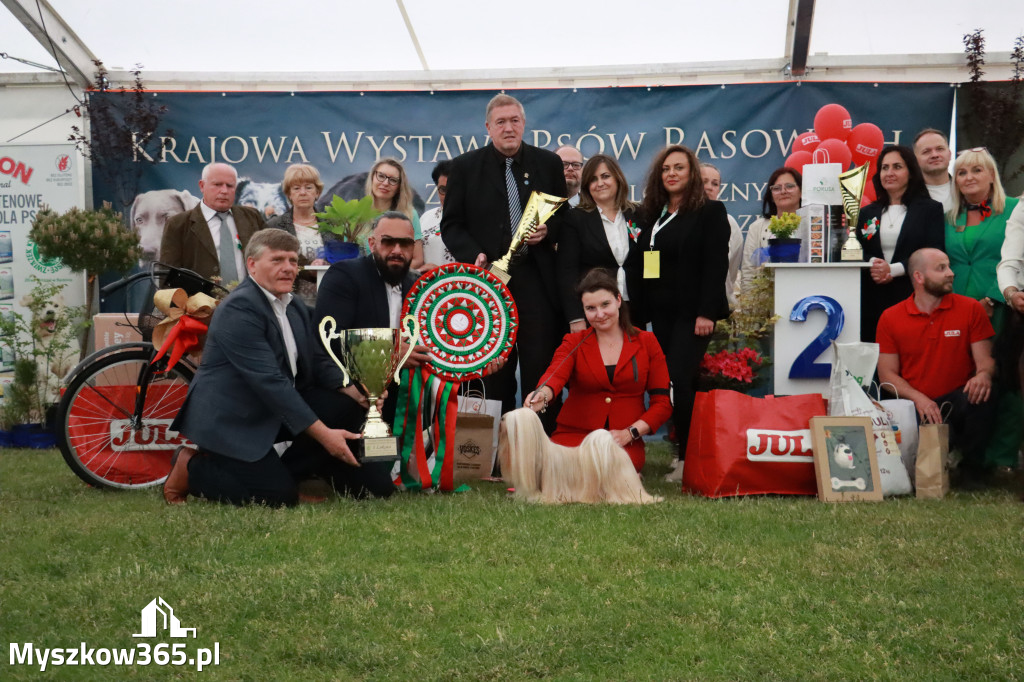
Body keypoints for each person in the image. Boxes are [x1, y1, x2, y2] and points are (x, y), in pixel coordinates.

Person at [163, 229, 390, 506]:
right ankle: (190, 467)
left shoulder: (293, 306)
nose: (288, 269)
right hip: (232, 420)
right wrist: (326, 437)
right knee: (276, 497)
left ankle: (294, 477)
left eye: (293, 261)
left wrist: (354, 390)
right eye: (277, 260)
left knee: (344, 405)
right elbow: (271, 383)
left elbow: (319, 359)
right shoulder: (240, 309)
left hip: (270, 410)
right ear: (252, 265)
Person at [441, 93, 568, 426]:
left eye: (514, 120)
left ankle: (542, 449)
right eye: (501, 122)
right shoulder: (464, 167)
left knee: (540, 368)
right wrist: (474, 255)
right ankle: (485, 453)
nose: (509, 128)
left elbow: (562, 216)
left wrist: (548, 231)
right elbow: (451, 225)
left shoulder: (548, 164)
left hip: (538, 283)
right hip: (489, 285)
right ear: (488, 127)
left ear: (524, 123)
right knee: (489, 370)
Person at [637, 144, 730, 471]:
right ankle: (681, 452)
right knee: (667, 382)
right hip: (661, 314)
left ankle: (688, 458)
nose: (672, 174)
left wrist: (706, 312)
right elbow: (648, 264)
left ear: (691, 173)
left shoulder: (710, 212)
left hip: (693, 316)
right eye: (666, 169)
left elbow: (716, 265)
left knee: (678, 378)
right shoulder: (655, 213)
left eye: (678, 167)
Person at [525, 269, 671, 472]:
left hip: (622, 440)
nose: (600, 314)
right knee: (566, 472)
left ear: (618, 300)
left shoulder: (647, 342)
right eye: (590, 308)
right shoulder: (573, 342)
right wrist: (542, 393)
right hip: (575, 436)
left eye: (605, 304)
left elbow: (663, 403)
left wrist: (630, 433)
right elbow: (555, 375)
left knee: (612, 474)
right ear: (583, 310)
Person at [877, 248, 996, 488]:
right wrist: (920, 399)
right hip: (914, 407)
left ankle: (973, 471)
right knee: (920, 460)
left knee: (984, 393)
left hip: (955, 402)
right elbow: (886, 375)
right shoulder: (891, 317)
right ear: (919, 277)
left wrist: (983, 375)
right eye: (941, 268)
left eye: (949, 266)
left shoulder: (970, 309)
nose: (950, 273)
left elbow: (986, 363)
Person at [945, 147, 1022, 474]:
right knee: (967, 379)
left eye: (977, 170)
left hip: (1000, 308)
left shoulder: (1015, 210)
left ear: (992, 176)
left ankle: (1002, 458)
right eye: (962, 172)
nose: (969, 177)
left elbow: (1015, 259)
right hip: (958, 311)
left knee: (1006, 381)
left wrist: (993, 299)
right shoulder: (949, 218)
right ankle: (968, 455)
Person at [854, 145, 945, 342]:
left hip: (912, 295)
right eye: (885, 168)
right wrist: (874, 265)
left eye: (897, 167)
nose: (889, 173)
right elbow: (855, 249)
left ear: (911, 172)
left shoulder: (930, 210)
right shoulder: (867, 212)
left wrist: (893, 269)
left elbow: (935, 250)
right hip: (871, 299)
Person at [557, 154, 641, 333]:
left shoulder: (638, 213)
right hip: (595, 313)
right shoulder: (575, 219)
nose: (600, 183)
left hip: (635, 310)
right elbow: (567, 272)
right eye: (593, 179)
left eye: (605, 176)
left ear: (617, 178)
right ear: (587, 186)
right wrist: (575, 317)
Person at [160, 162, 266, 282]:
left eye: (230, 186)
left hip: (249, 299)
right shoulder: (178, 225)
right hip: (199, 299)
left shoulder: (252, 217)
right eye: (217, 184)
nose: (224, 191)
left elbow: (270, 259)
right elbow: (167, 279)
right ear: (201, 186)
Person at [266, 163, 328, 305]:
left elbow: (341, 261)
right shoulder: (275, 226)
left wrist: (326, 263)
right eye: (296, 188)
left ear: (317, 192)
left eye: (308, 187)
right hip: (287, 302)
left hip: (327, 302)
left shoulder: (332, 225)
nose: (303, 192)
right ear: (289, 194)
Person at [739, 167, 802, 295]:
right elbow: (749, 273)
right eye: (777, 188)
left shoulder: (814, 225)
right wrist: (751, 310)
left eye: (789, 186)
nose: (783, 191)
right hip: (767, 304)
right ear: (771, 196)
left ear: (801, 192)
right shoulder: (757, 228)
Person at [364, 158, 425, 270]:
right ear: (372, 178)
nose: (385, 183)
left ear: (399, 187)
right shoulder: (356, 213)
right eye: (381, 176)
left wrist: (387, 273)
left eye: (393, 180)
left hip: (396, 282)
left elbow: (417, 260)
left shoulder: (410, 214)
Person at [701, 163, 743, 309]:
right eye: (703, 181)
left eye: (715, 183)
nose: (709, 187)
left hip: (718, 307)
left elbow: (730, 270)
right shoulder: (677, 219)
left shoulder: (729, 223)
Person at [419, 160, 455, 270]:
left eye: (454, 189)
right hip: (429, 285)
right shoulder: (426, 218)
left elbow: (501, 269)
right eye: (443, 190)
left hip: (469, 285)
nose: (448, 195)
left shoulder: (481, 219)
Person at [914, 129, 954, 212]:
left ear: (949, 154)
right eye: (926, 151)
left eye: (940, 149)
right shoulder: (908, 196)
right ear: (915, 160)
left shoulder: (965, 192)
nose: (934, 155)